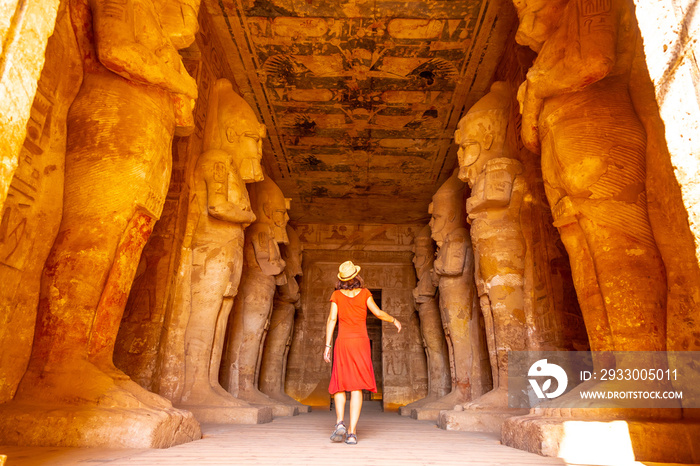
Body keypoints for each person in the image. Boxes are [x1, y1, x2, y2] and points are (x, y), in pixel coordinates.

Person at [323, 261, 402, 444]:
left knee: (340, 383)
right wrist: (394, 320)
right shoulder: (365, 293)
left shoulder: (336, 295)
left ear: (342, 280)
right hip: (361, 343)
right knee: (357, 386)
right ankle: (351, 433)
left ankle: (339, 423)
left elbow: (331, 320)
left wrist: (327, 346)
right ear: (356, 277)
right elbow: (379, 313)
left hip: (343, 342)